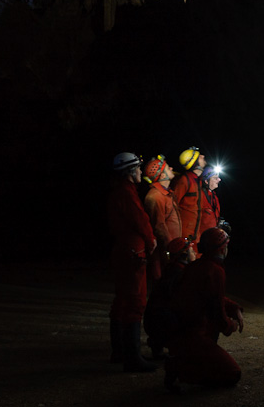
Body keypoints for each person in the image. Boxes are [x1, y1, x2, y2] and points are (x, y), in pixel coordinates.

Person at [165, 227, 244, 392]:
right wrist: (231, 325)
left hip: (180, 331)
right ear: (222, 248)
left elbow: (210, 297)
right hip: (193, 334)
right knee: (233, 373)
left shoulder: (197, 267)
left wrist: (233, 308)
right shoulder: (214, 271)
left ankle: (184, 363)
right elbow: (217, 313)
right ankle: (185, 370)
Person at [107, 152, 158, 373]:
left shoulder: (118, 192)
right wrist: (151, 240)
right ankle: (132, 358)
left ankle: (120, 352)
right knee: (135, 302)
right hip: (133, 251)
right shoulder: (127, 194)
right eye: (137, 168)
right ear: (129, 172)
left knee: (122, 301)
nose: (140, 171)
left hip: (123, 250)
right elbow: (140, 219)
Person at [144, 237, 197, 358]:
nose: (194, 253)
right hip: (164, 325)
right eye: (191, 250)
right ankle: (177, 347)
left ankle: (158, 344)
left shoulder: (170, 271)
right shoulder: (181, 274)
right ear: (184, 255)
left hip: (153, 324)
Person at [142, 155, 183, 283]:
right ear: (161, 175)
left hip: (173, 251)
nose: (171, 168)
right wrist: (171, 249)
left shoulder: (166, 194)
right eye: (167, 167)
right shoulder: (155, 196)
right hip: (166, 253)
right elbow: (159, 227)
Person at [172, 147, 207, 241]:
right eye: (199, 157)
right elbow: (174, 205)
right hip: (184, 234)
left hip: (195, 234)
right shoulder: (185, 180)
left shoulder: (197, 181)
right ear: (194, 163)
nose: (203, 156)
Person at [195, 166, 222, 256]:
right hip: (201, 243)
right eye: (215, 178)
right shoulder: (200, 196)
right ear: (206, 181)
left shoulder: (214, 197)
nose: (219, 179)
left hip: (212, 242)